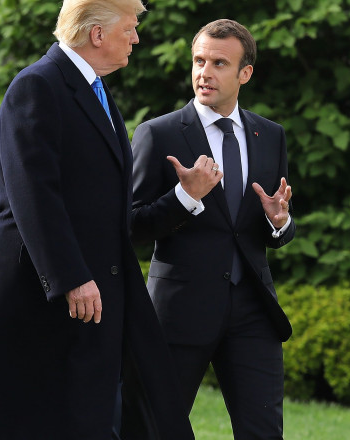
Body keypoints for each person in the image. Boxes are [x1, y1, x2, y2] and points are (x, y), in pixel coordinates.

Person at [0, 1, 193, 439]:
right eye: (131, 28)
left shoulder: (96, 92)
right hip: (34, 293)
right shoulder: (37, 85)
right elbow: (33, 193)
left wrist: (184, 198)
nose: (137, 38)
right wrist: (70, 277)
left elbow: (105, 209)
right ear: (98, 35)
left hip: (90, 295)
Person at [130, 18, 296, 440]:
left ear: (245, 73)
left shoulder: (269, 136)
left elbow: (260, 227)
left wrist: (280, 222)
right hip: (179, 312)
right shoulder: (159, 133)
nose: (204, 72)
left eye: (219, 63)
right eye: (199, 60)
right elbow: (130, 227)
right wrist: (187, 197)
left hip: (254, 314)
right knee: (153, 430)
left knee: (263, 433)